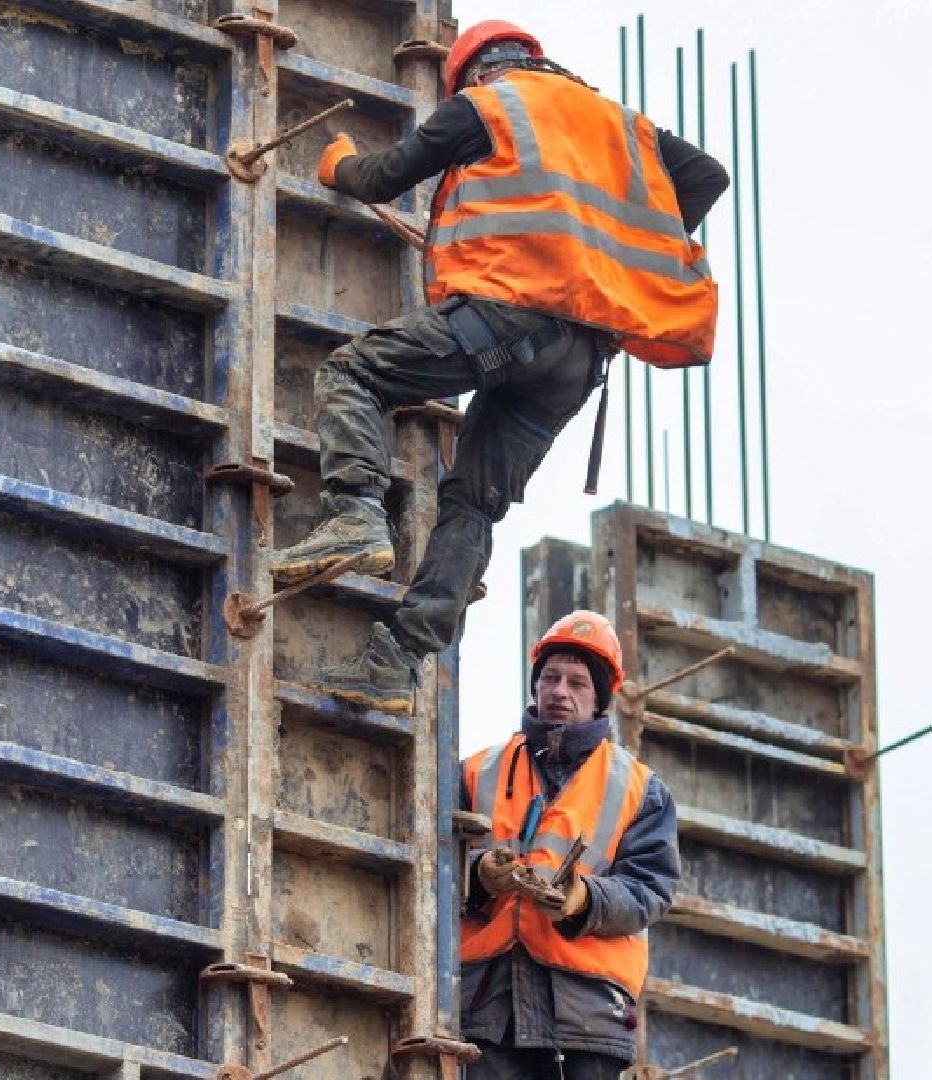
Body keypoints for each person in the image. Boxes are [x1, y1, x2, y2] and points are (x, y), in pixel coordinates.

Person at [271, 20, 729, 716]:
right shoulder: (622, 130)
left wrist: (336, 165)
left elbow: (382, 177)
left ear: (473, 70)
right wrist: (622, 240)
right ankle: (395, 660)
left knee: (355, 374)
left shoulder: (489, 104)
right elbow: (707, 177)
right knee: (474, 504)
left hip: (508, 314)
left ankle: (356, 513)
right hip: (580, 359)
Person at [457, 610, 679, 1078]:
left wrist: (585, 900)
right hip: (488, 1004)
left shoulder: (639, 788)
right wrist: (476, 875)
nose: (560, 691)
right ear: (535, 685)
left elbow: (651, 888)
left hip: (588, 1013)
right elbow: (434, 863)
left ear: (599, 698)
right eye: (551, 678)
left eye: (578, 683)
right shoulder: (477, 771)